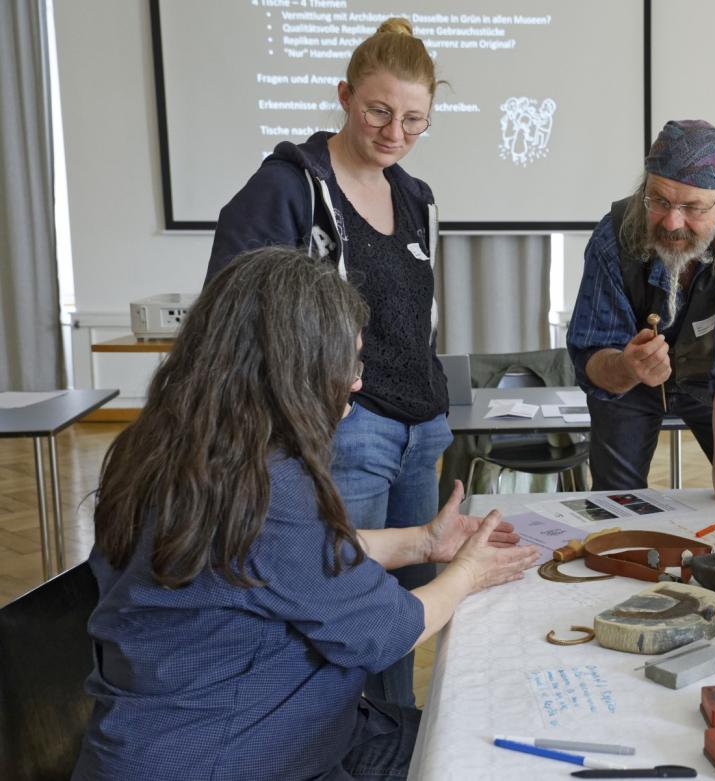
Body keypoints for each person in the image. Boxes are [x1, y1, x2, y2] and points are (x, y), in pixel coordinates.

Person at [73, 248, 538, 781]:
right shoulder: (261, 487)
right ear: (295, 367)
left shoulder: (174, 448)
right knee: (496, 757)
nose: (357, 382)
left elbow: (293, 561)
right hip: (230, 757)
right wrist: (470, 574)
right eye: (350, 363)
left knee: (476, 741)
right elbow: (387, 630)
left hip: (195, 737)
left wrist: (422, 543)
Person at [205, 18, 447, 707]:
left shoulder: (416, 197)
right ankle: (337, 736)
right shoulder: (289, 187)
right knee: (344, 604)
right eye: (378, 111)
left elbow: (416, 318)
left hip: (419, 430)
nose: (395, 132)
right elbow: (232, 312)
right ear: (344, 96)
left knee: (401, 607)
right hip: (347, 429)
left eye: (414, 120)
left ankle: (390, 733)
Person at [567, 119, 715, 502]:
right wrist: (626, 367)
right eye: (659, 201)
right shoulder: (614, 235)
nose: (672, 222)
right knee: (614, 507)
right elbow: (590, 355)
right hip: (631, 388)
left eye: (692, 207)